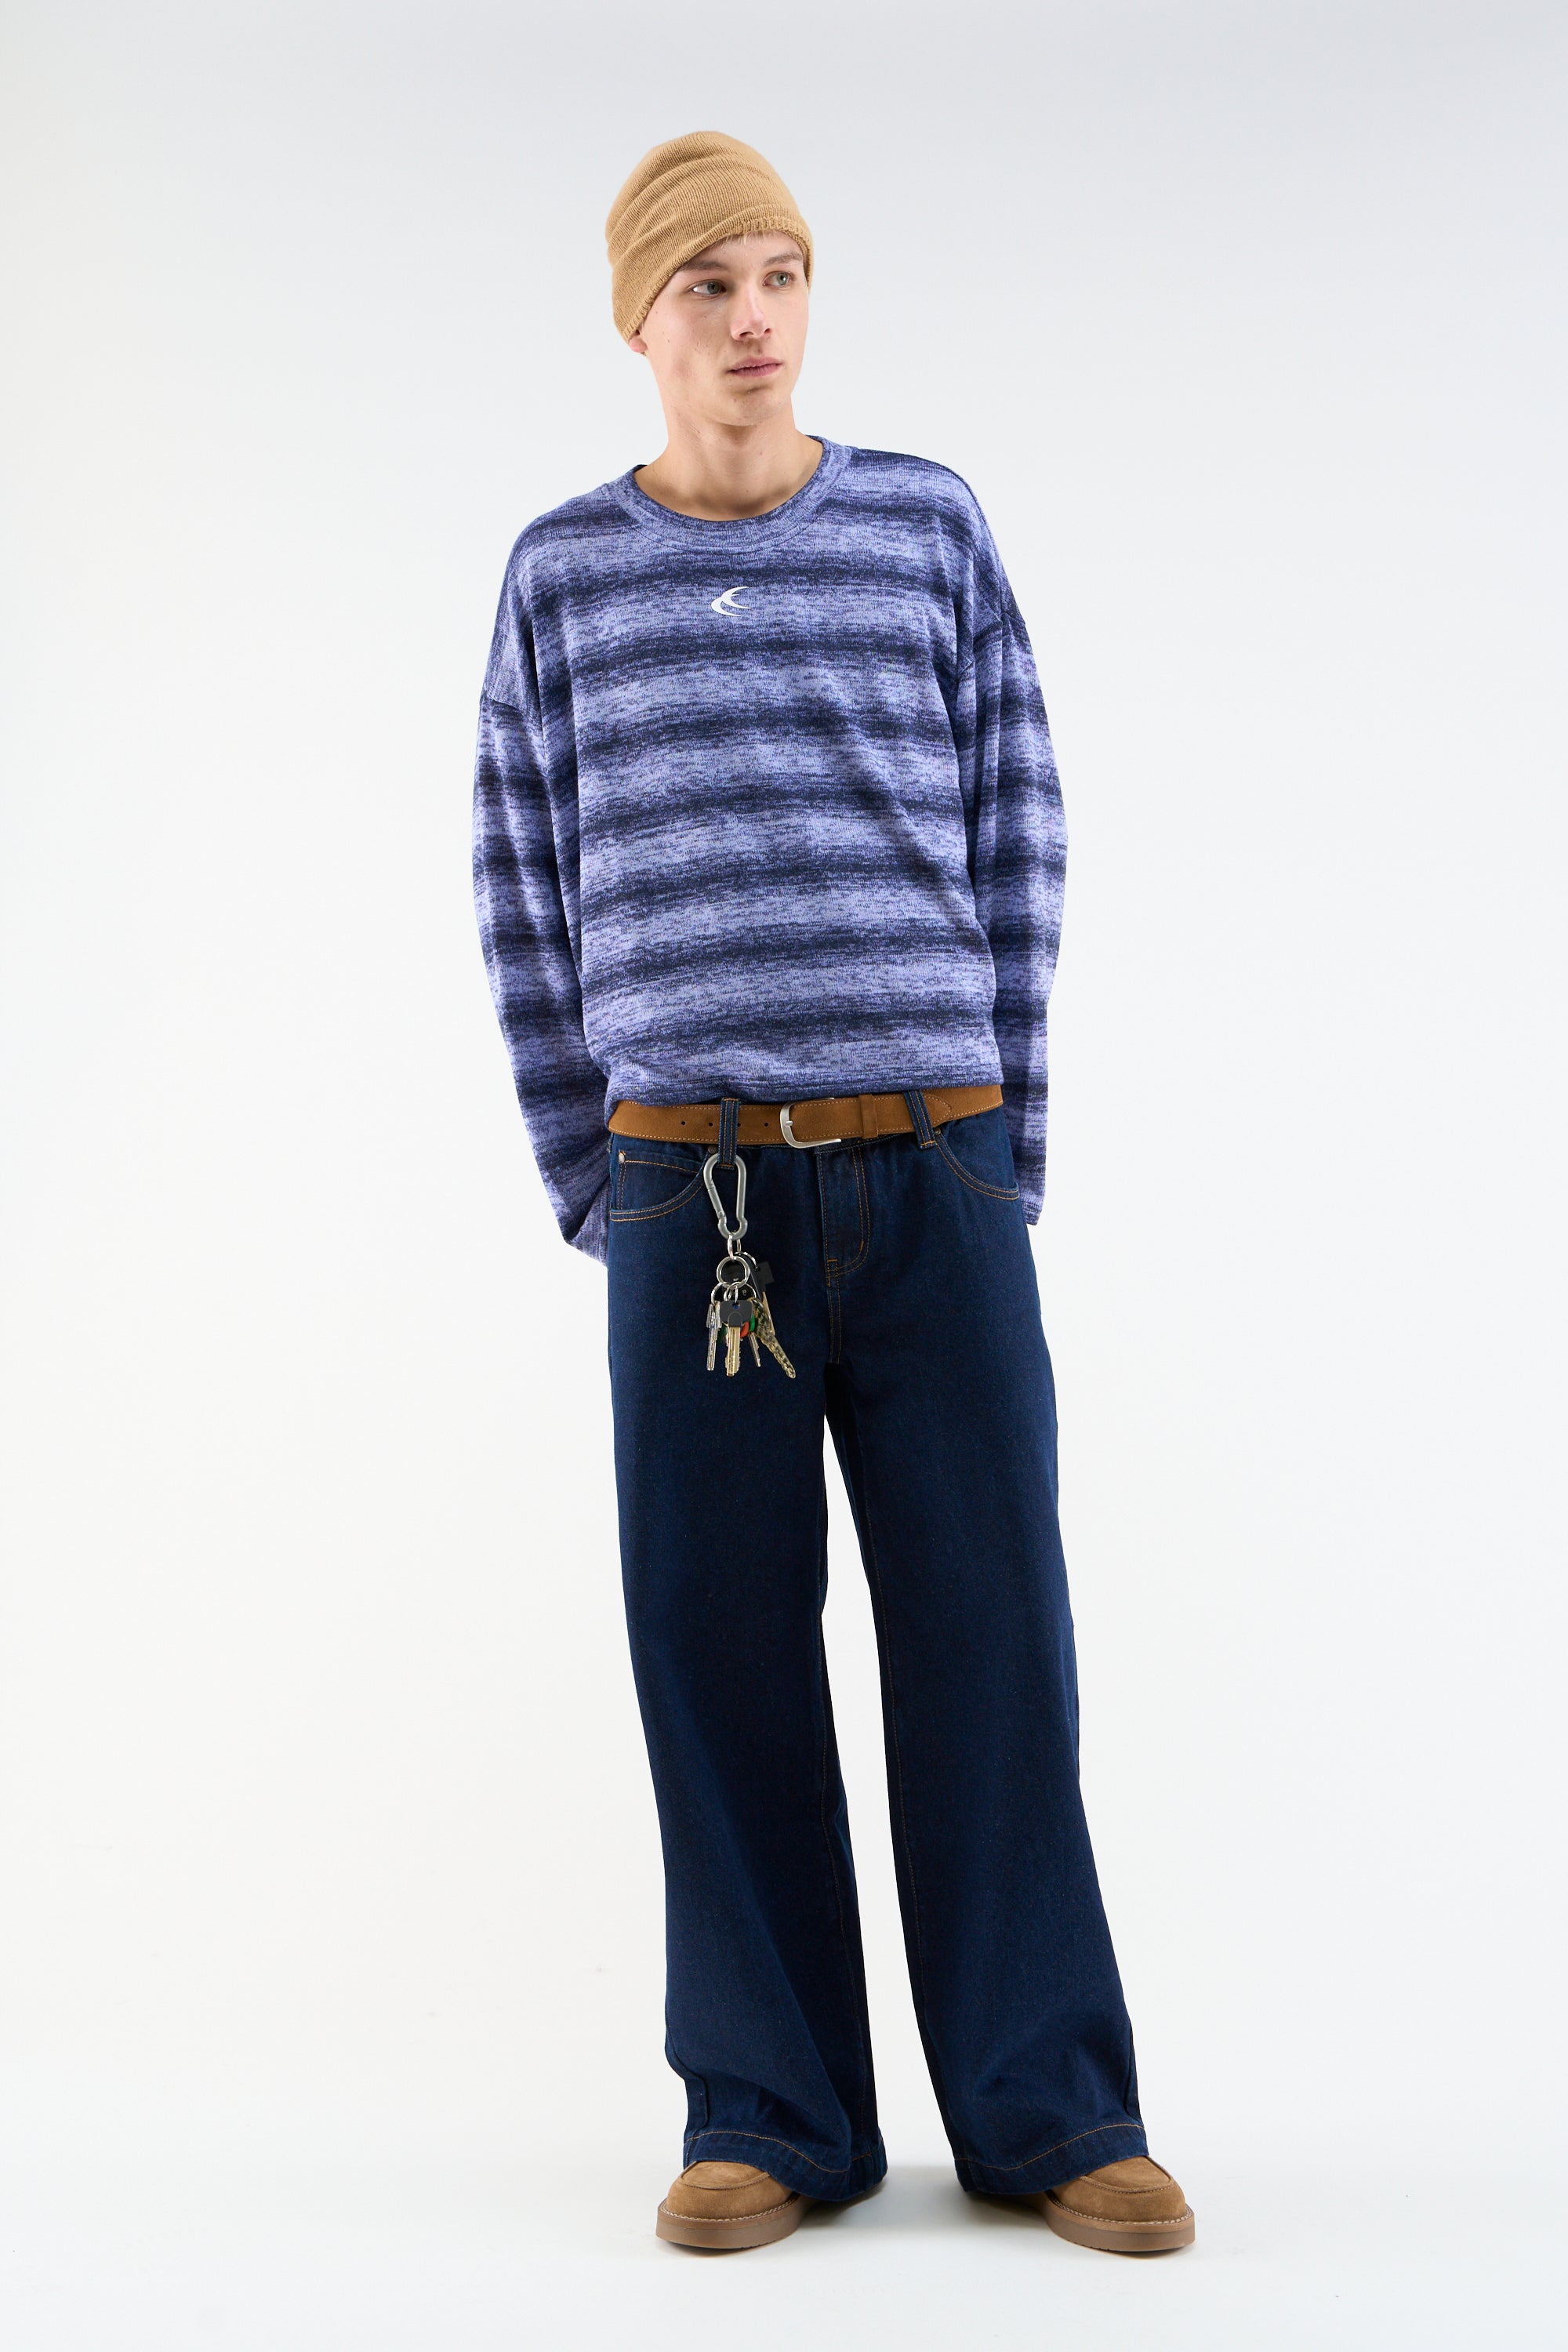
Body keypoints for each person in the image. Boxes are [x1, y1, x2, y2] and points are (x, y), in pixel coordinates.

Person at [472, 129, 1192, 2258]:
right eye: (709, 284)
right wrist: (597, 1176)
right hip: (687, 1198)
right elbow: (518, 883)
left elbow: (1019, 823)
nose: (754, 319)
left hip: (932, 1168)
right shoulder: (563, 577)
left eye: (781, 274)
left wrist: (1001, 1143)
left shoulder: (922, 527)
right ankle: (770, 2114)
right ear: (641, 318)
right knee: (717, 1650)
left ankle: (1050, 2107)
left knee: (993, 1636)